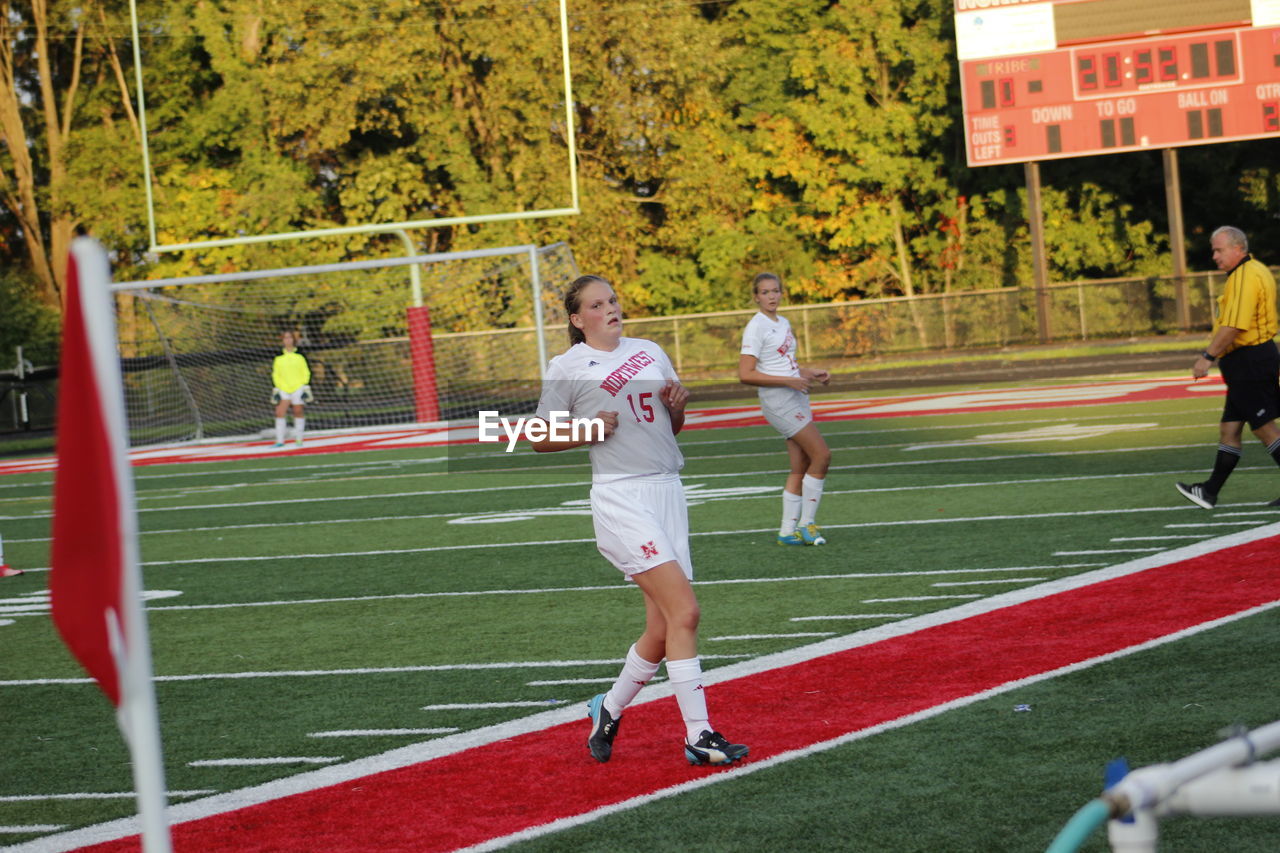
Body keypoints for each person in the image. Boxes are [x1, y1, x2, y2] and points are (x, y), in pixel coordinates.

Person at [529, 274, 748, 767]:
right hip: (622, 497)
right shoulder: (568, 365)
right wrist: (587, 427)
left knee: (661, 627)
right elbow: (538, 437)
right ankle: (700, 734)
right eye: (596, 304)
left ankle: (606, 708)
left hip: (668, 489)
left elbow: (668, 429)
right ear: (576, 318)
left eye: (613, 299)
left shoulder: (649, 349)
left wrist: (678, 409)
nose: (610, 308)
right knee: (686, 612)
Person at [1176, 226, 1280, 509]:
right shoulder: (1252, 271)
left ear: (1238, 248)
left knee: (1265, 428)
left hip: (1250, 361)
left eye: (1219, 250)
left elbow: (1234, 325)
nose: (1214, 256)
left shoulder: (1246, 276)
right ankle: (1209, 491)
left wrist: (1207, 356)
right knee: (1230, 429)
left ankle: (1209, 491)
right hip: (1248, 361)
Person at [738, 272, 833, 545]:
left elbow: (786, 366)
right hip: (779, 400)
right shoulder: (756, 327)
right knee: (822, 455)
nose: (772, 296)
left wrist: (810, 372)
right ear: (756, 297)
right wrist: (789, 381)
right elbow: (746, 373)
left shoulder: (783, 322)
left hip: (796, 395)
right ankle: (807, 524)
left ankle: (786, 531)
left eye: (776, 291)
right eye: (765, 292)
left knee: (800, 465)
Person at [271, 330, 312, 448]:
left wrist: (305, 386)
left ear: (293, 340)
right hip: (283, 388)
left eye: (290, 338)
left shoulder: (299, 357)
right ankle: (280, 440)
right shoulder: (279, 359)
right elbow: (276, 374)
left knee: (298, 411)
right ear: (282, 341)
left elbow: (305, 372)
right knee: (280, 412)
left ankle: (299, 439)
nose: (288, 340)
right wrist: (277, 388)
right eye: (285, 338)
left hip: (298, 387)